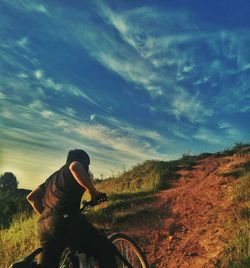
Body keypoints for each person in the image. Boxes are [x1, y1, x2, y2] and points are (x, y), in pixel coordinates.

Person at [27, 149, 117, 268]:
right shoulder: (74, 165)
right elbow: (75, 166)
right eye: (88, 165)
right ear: (84, 161)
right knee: (107, 250)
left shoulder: (52, 179)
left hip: (44, 227)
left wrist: (49, 217)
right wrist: (93, 192)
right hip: (66, 221)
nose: (88, 169)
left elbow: (31, 197)